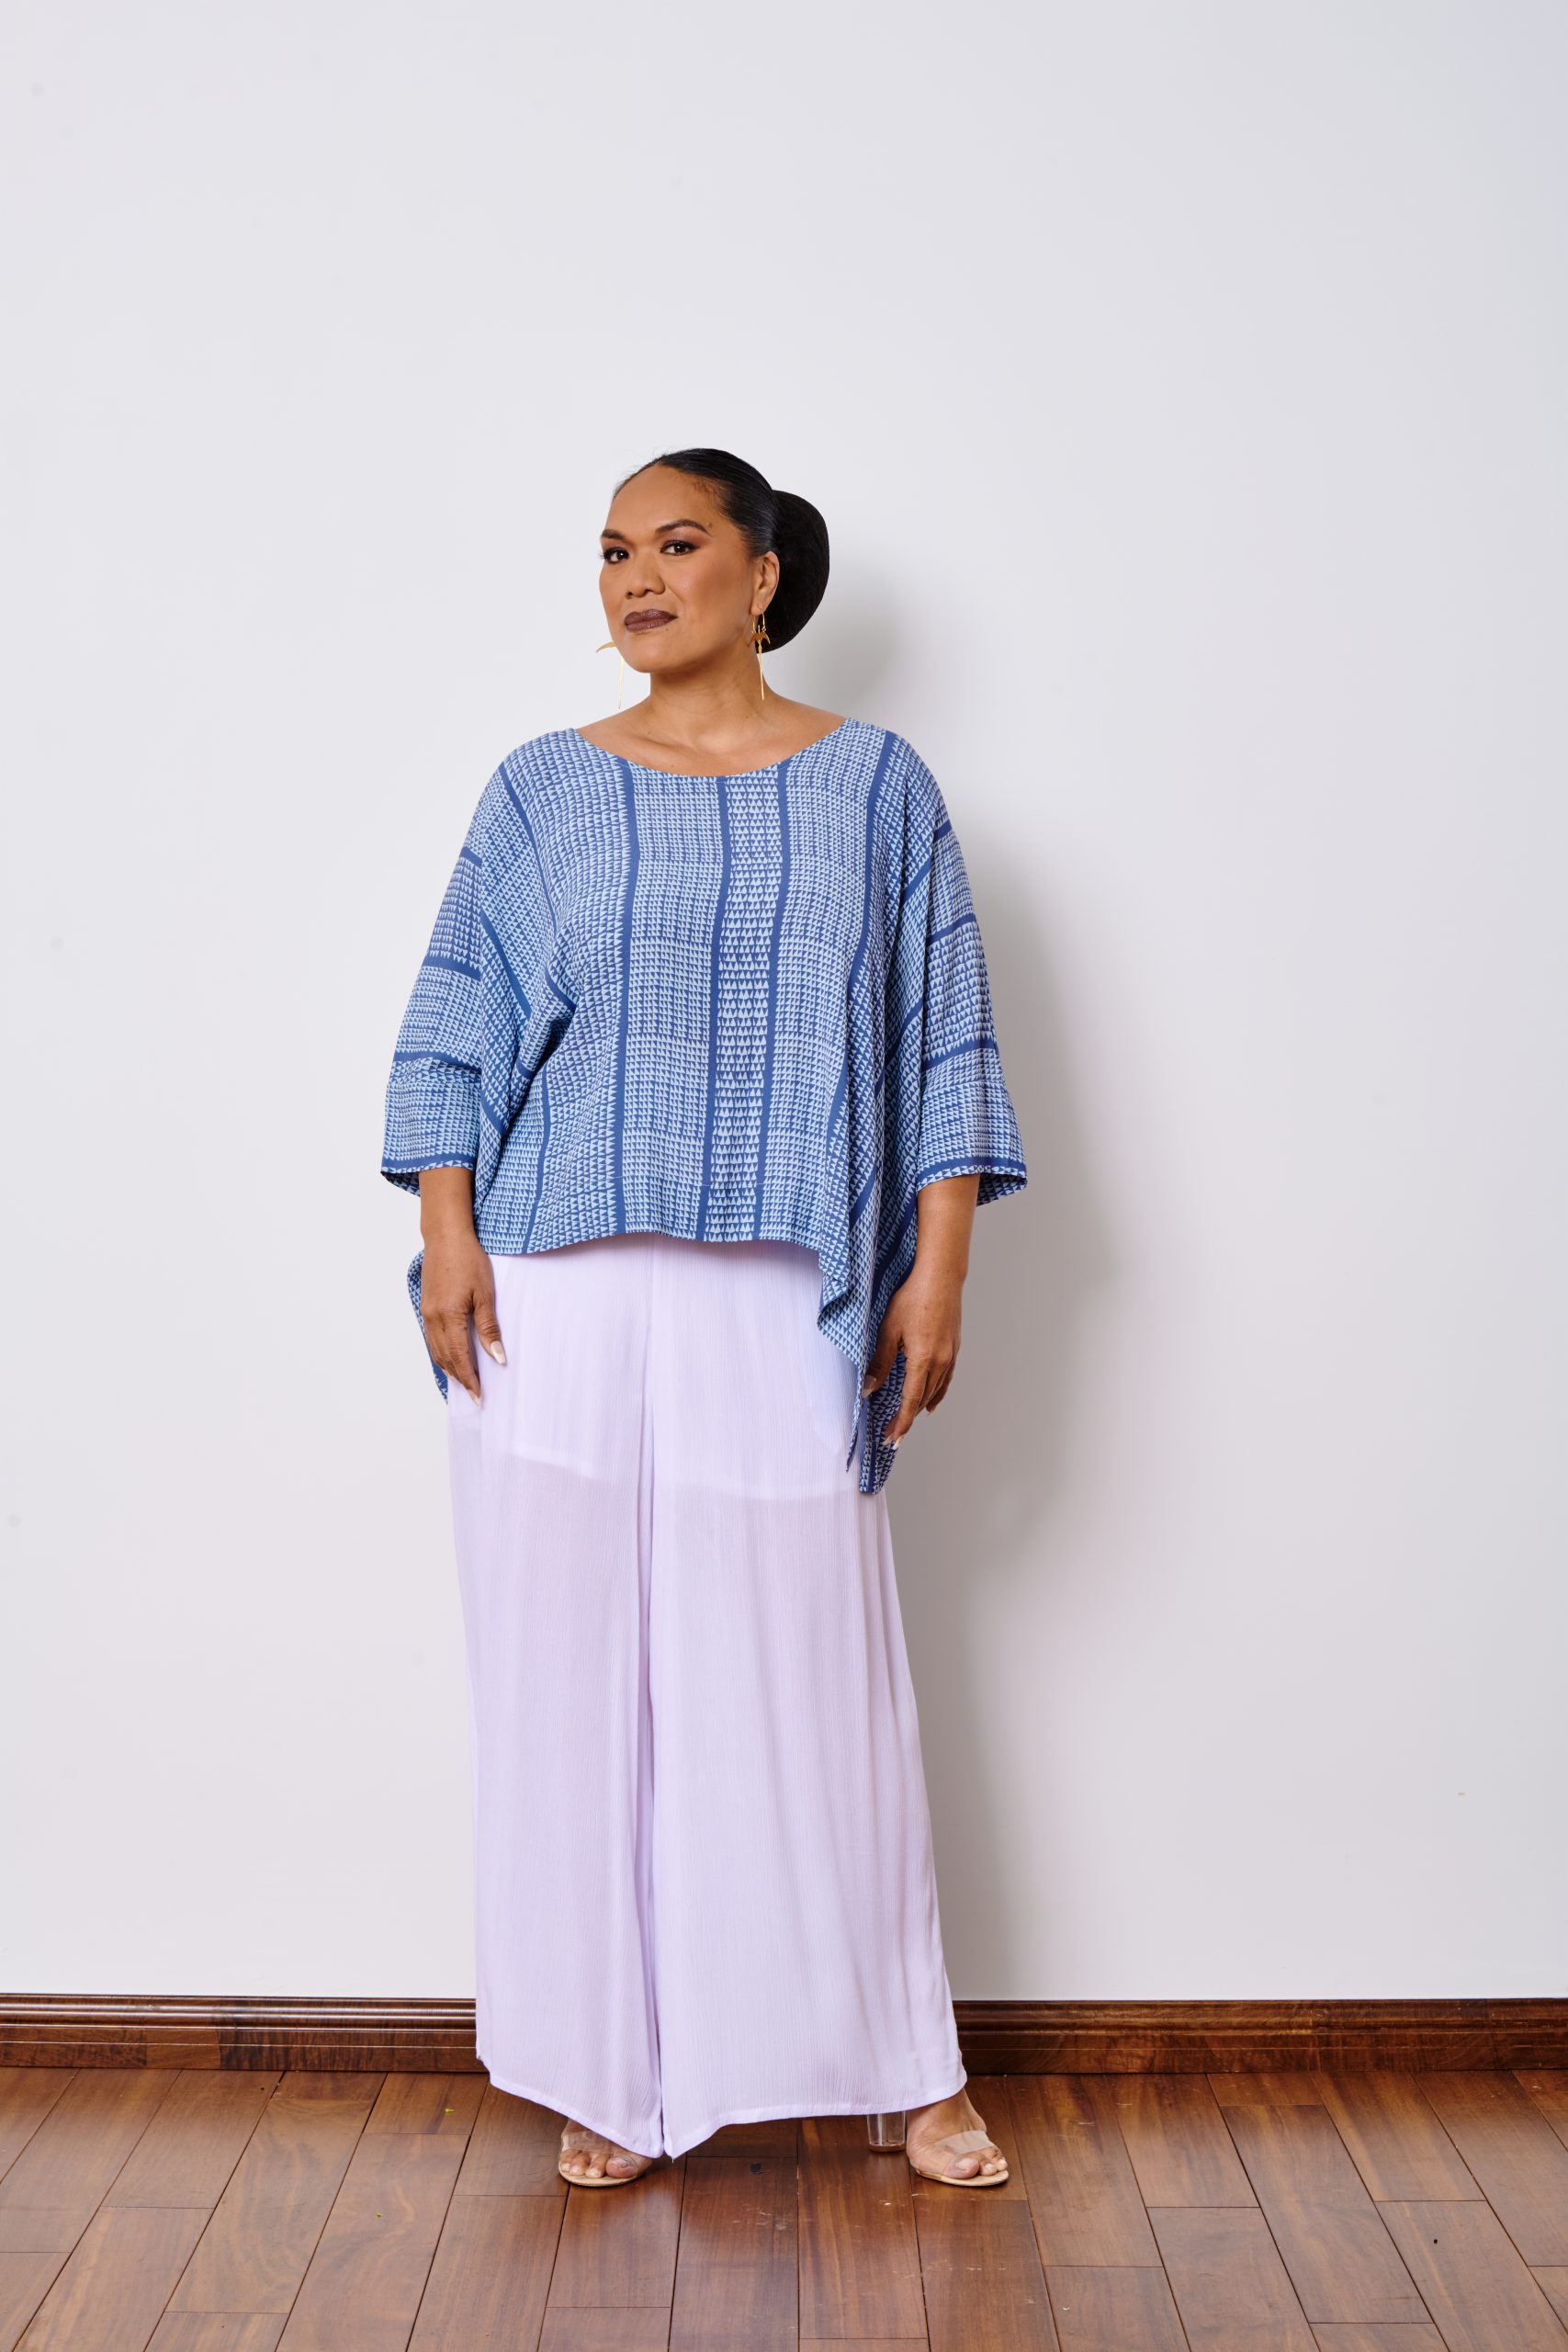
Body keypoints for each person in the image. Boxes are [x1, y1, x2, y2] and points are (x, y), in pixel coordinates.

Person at [380, 447, 1028, 2188]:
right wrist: (447, 1231)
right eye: (612, 553)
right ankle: (599, 2066)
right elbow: (455, 1021)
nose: (637, 581)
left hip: (786, 1279)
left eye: (676, 545)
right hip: (555, 1279)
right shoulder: (544, 790)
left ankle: (909, 2069)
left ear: (764, 574)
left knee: (815, 1669)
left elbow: (944, 1028)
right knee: (566, 1677)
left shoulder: (876, 784)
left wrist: (941, 1264)